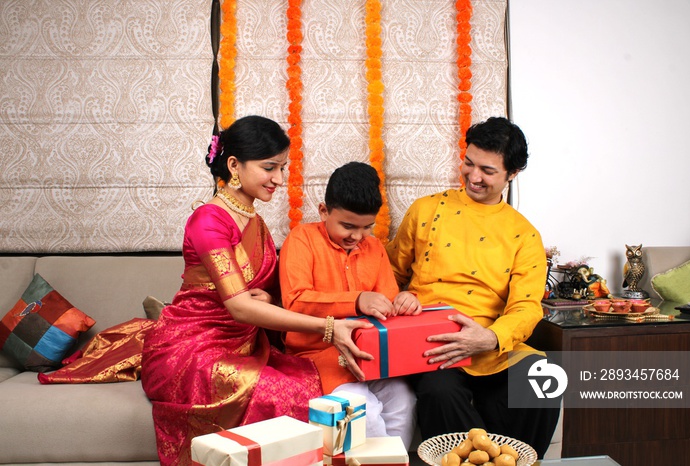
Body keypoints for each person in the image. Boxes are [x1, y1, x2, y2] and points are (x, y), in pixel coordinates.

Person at [140, 116, 373, 465]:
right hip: (197, 343)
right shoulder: (209, 220)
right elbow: (238, 307)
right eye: (270, 168)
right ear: (234, 164)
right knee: (281, 391)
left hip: (245, 341)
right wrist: (328, 327)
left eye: (282, 168)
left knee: (308, 385)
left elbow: (256, 294)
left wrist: (270, 298)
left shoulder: (253, 219)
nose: (279, 179)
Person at [386, 117, 560, 457]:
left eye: (488, 170)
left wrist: (490, 337)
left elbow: (527, 306)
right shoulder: (426, 209)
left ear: (513, 174)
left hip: (492, 347)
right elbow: (388, 273)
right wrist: (398, 297)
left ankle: (512, 462)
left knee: (545, 380)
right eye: (469, 163)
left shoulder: (524, 235)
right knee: (440, 393)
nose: (473, 176)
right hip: (436, 345)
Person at [279, 161, 422, 449]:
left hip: (372, 359)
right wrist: (356, 300)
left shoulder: (375, 249)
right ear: (323, 211)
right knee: (362, 410)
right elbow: (295, 302)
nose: (357, 236)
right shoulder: (302, 239)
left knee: (405, 400)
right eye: (347, 226)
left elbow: (388, 308)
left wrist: (405, 302)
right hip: (318, 358)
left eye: (367, 227)